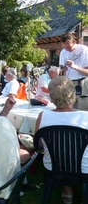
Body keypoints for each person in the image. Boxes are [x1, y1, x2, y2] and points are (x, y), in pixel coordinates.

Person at [35, 76, 88, 204]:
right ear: (73, 94)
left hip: (54, 167)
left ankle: (67, 191)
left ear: (51, 97)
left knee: (60, 155)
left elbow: (39, 145)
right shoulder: (85, 117)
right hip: (84, 169)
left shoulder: (43, 116)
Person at [59, 33, 88, 110]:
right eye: (65, 47)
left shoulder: (83, 50)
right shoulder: (63, 52)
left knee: (83, 110)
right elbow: (61, 71)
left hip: (82, 83)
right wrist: (62, 69)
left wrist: (74, 67)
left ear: (74, 42)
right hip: (69, 84)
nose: (67, 49)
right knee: (70, 109)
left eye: (69, 47)